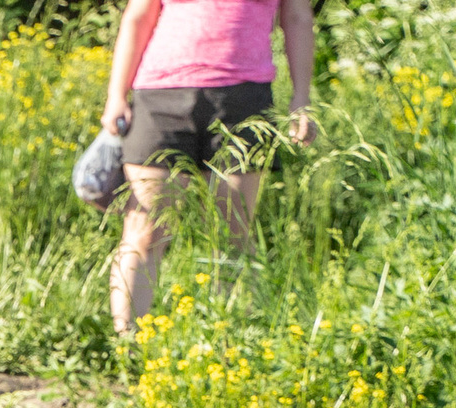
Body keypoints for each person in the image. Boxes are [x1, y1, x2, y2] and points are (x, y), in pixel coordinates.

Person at [101, 0, 315, 335]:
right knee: (146, 229)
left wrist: (302, 97)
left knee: (233, 231)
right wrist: (116, 94)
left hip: (245, 98)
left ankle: (227, 349)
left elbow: (298, 18)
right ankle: (128, 348)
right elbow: (139, 16)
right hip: (160, 96)